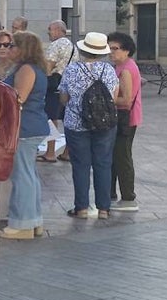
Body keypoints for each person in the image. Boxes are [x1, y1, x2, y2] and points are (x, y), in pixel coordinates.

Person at [59, 31, 119, 219]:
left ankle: (82, 208)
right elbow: (114, 98)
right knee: (103, 163)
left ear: (83, 50)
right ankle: (104, 209)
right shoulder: (109, 70)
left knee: (80, 165)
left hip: (76, 123)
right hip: (104, 124)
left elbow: (63, 98)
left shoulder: (72, 70)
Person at [0, 31, 49, 239]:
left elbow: (18, 98)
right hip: (32, 125)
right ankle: (33, 220)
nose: (8, 49)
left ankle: (23, 223)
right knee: (29, 174)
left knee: (22, 175)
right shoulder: (32, 68)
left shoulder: (26, 69)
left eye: (12, 46)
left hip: (24, 127)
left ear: (23, 48)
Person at [108, 31, 142, 212]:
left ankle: (129, 198)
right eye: (109, 48)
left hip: (125, 119)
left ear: (126, 51)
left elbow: (126, 99)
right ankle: (112, 194)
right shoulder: (123, 66)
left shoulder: (126, 69)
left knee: (122, 157)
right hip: (123, 118)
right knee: (117, 156)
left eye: (115, 49)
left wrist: (106, 98)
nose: (111, 52)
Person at [41, 20, 74, 163]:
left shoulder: (56, 45)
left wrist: (43, 83)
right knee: (68, 119)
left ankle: (50, 152)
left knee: (51, 119)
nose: (48, 31)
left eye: (50, 29)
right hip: (68, 85)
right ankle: (67, 152)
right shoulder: (72, 46)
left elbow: (49, 66)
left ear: (59, 30)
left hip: (54, 85)